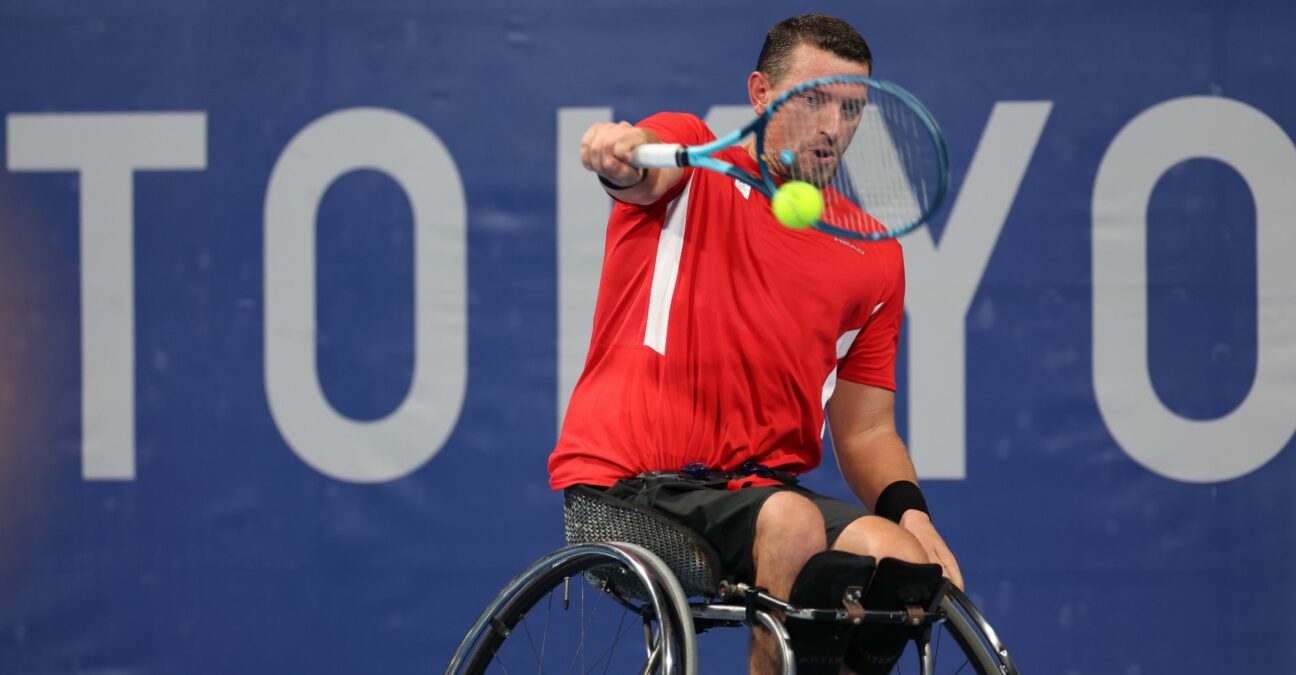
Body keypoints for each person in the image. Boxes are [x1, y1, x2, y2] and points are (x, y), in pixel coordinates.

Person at [548, 13, 962, 674]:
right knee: (792, 522)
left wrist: (916, 518)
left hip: (755, 494)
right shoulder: (694, 162)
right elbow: (642, 167)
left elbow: (864, 431)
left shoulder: (873, 256)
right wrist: (618, 155)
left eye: (851, 108)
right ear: (761, 95)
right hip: (629, 486)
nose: (833, 126)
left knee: (905, 566)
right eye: (815, 99)